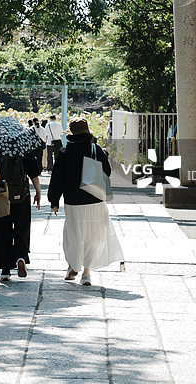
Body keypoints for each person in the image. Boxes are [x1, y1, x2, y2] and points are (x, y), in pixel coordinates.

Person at [48, 116, 123, 286]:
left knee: (74, 234)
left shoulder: (65, 152)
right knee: (92, 236)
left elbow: (57, 178)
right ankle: (87, 273)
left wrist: (54, 200)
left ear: (72, 134)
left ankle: (72, 265)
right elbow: (107, 171)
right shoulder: (96, 149)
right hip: (95, 198)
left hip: (73, 200)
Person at [0, 151, 41, 281]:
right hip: (21, 195)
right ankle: (20, 256)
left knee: (2, 230)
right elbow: (34, 173)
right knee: (22, 227)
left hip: (1, 195)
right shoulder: (24, 147)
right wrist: (38, 191)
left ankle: (5, 269)